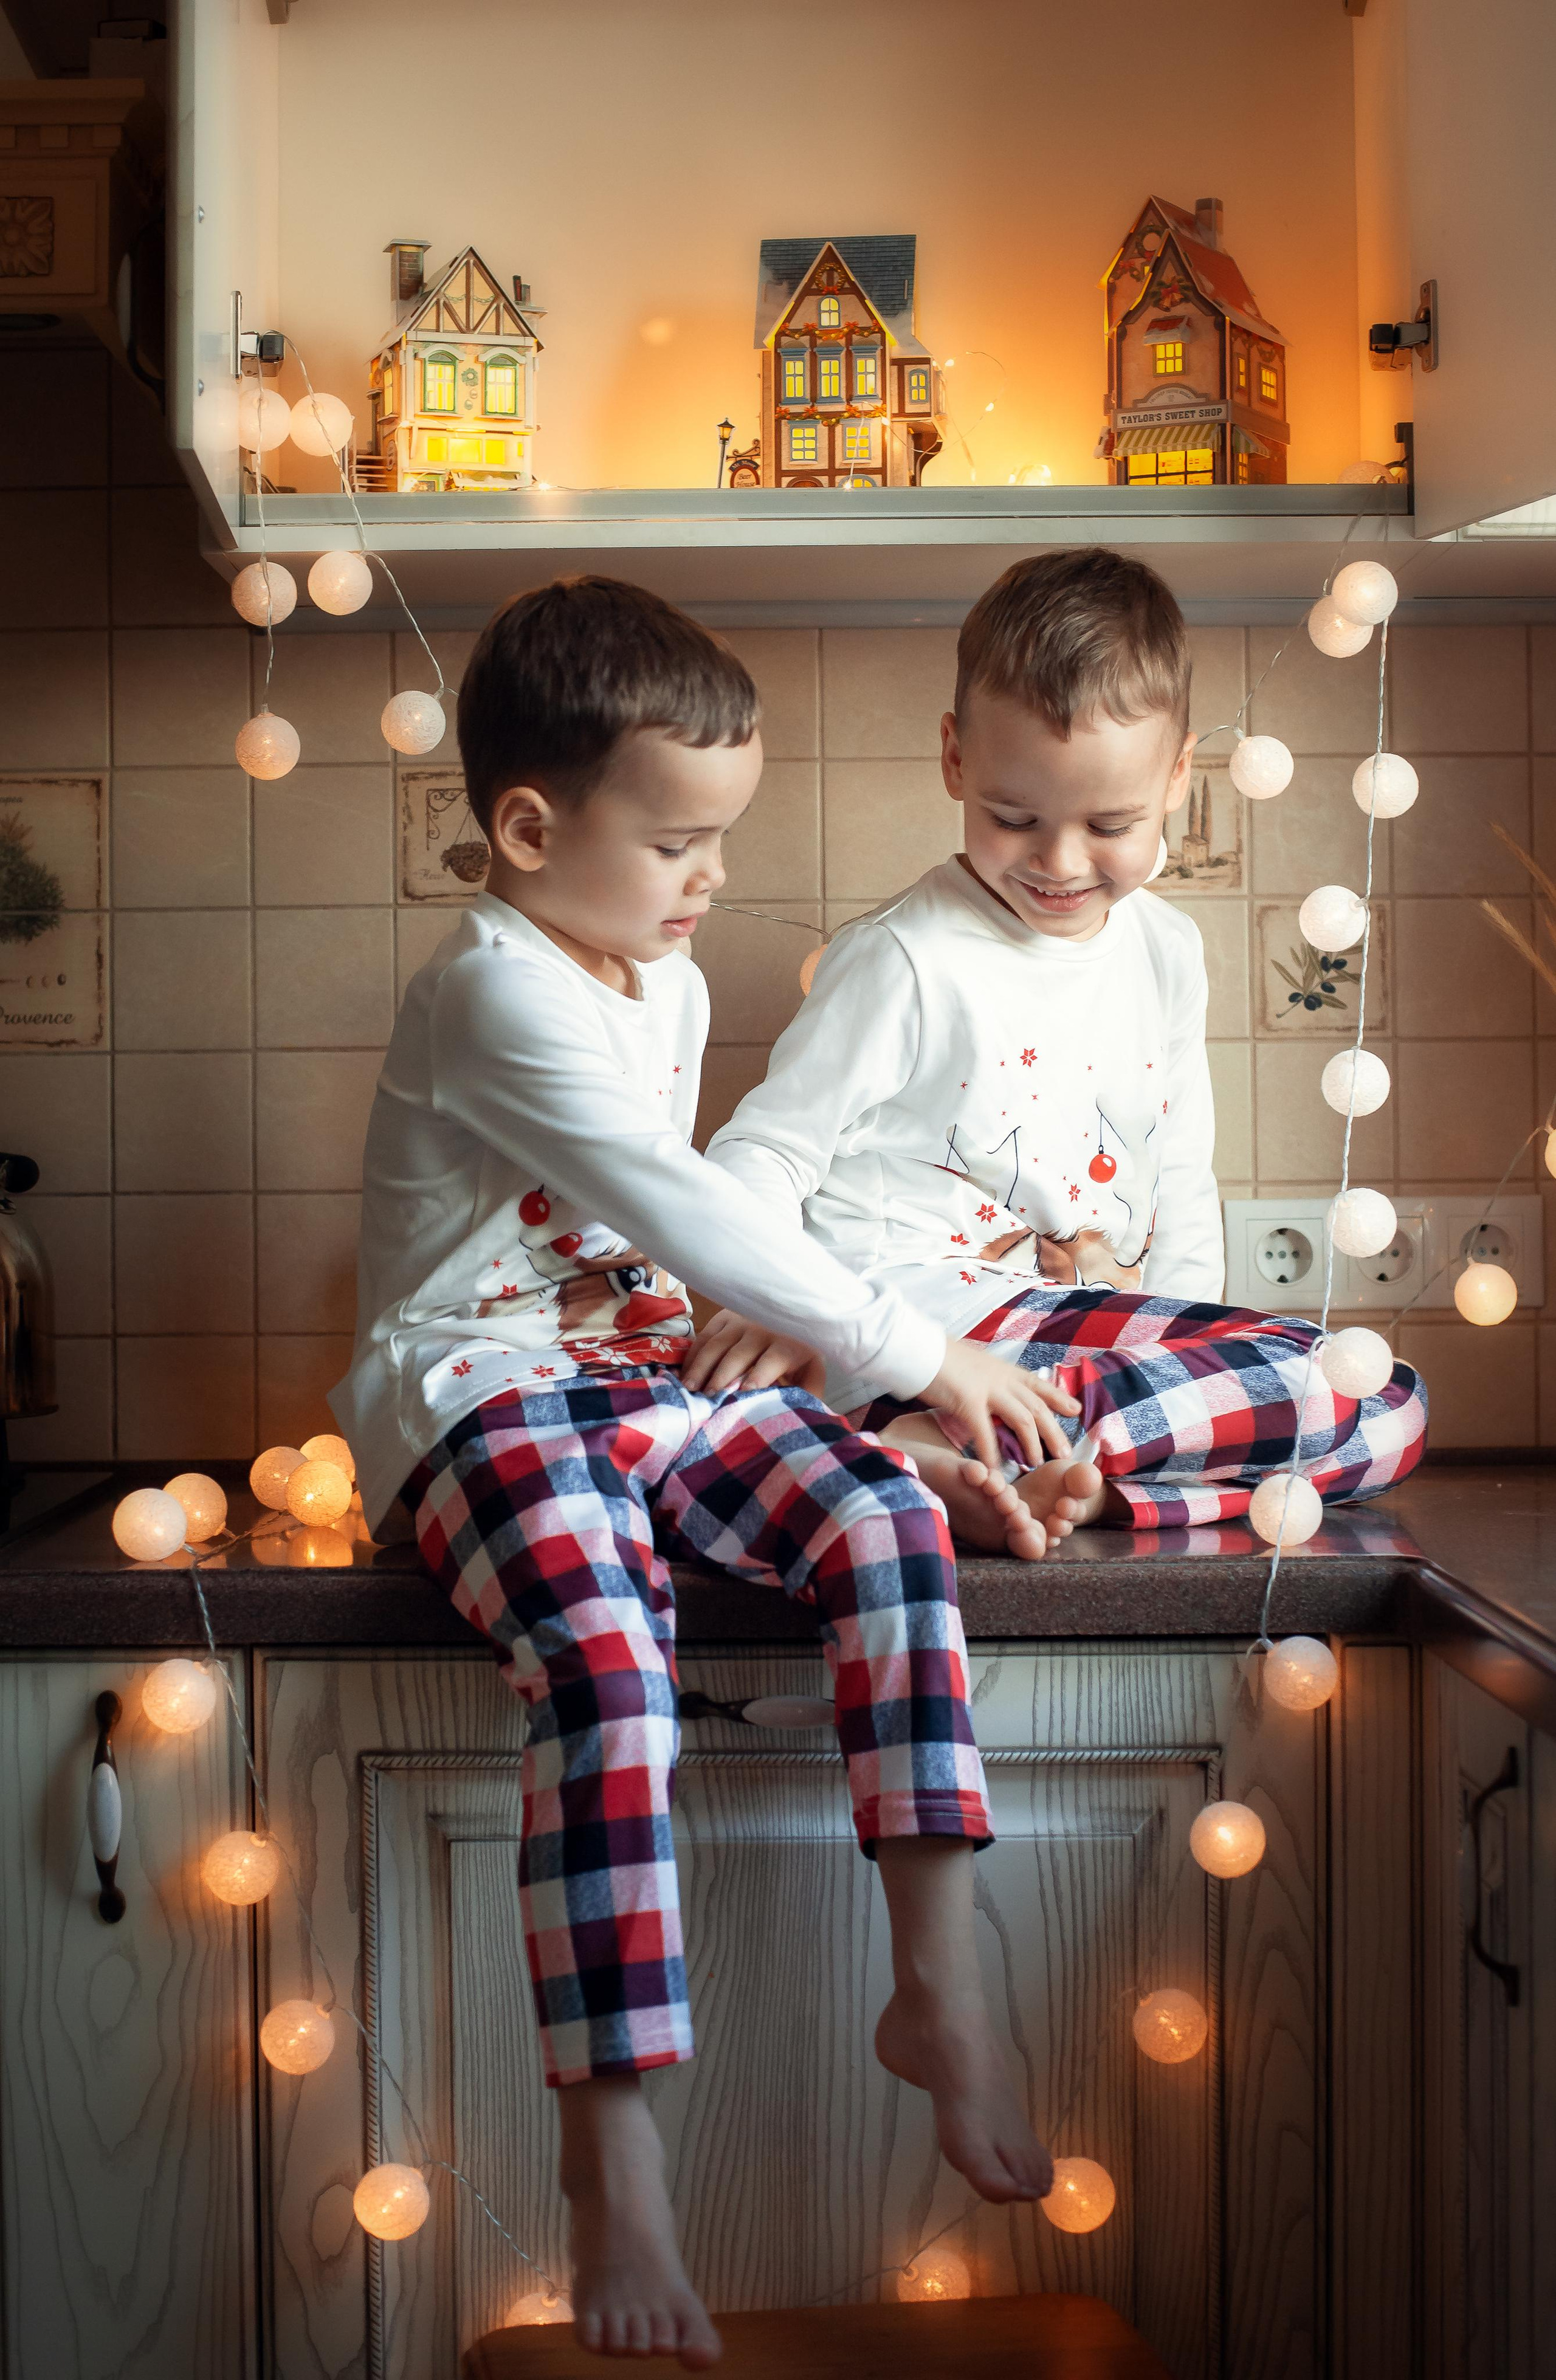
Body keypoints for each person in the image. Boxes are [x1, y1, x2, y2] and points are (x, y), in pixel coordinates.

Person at [329, 576, 1072, 2370]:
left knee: (883, 1523)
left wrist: (867, 1428)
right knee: (607, 1658)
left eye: (717, 839)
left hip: (633, 1380)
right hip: (478, 1395)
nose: (711, 878)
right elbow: (682, 1209)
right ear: (529, 830)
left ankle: (941, 1995)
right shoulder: (490, 994)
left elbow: (667, 1269)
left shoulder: (658, 972)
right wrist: (919, 1353)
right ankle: (614, 2150)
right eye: (676, 841)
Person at [706, 548, 1427, 1558]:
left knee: (1381, 1400)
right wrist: (766, 1295)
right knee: (1328, 1383)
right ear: (956, 760)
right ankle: (936, 1429)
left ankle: (1033, 1471)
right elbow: (762, 1151)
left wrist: (1198, 1336)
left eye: (1111, 824)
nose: (1059, 861)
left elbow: (1181, 1176)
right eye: (1015, 818)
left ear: (1176, 778)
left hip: (1079, 1337)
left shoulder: (1167, 949)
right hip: (922, 1331)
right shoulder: (904, 958)